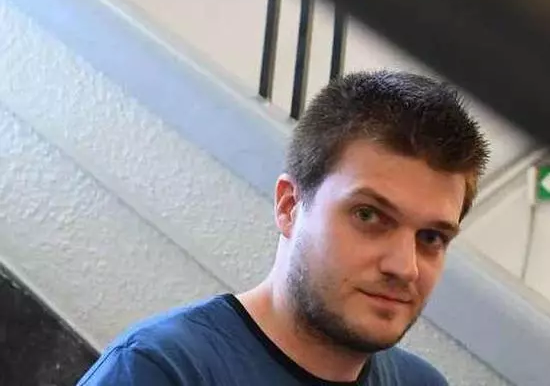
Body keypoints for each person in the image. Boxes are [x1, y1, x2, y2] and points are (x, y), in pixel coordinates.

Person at [77, 70, 489, 385]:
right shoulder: (161, 370)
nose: (404, 267)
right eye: (368, 216)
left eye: (431, 237)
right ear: (290, 206)